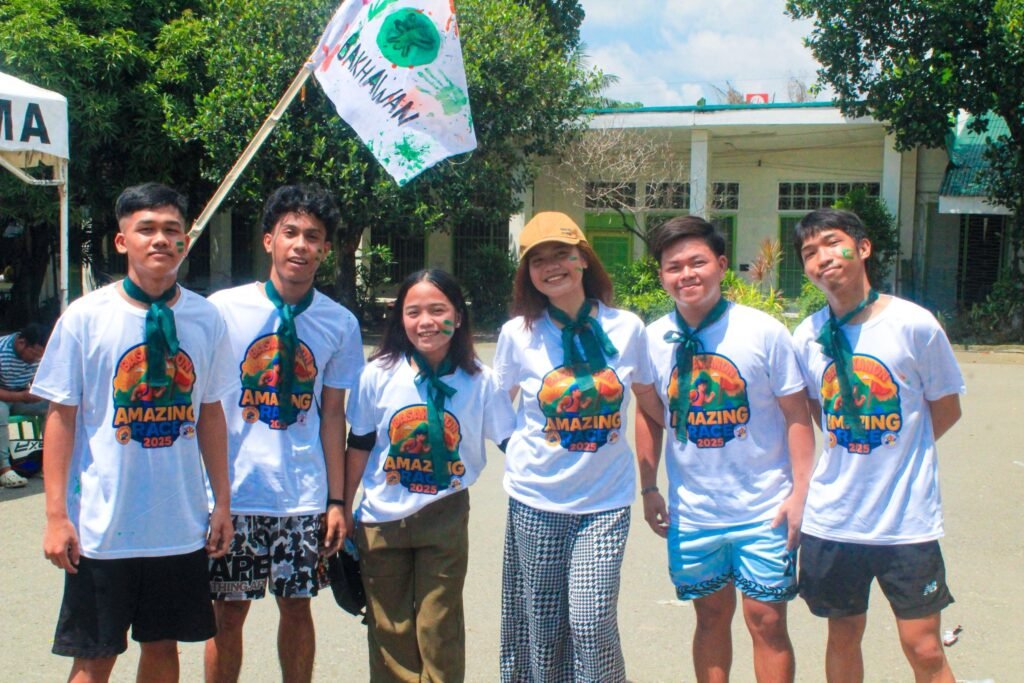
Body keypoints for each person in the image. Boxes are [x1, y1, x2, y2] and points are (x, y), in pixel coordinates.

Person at [33, 182, 236, 683]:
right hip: (104, 527)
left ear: (185, 241)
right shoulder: (86, 318)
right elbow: (61, 417)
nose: (160, 239)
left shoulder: (206, 318)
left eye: (171, 229)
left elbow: (210, 413)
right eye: (146, 229)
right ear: (123, 241)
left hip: (178, 525)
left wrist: (222, 503)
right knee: (94, 656)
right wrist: (56, 516)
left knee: (163, 648)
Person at [635, 216, 814, 683]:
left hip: (765, 508)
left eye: (697, 262)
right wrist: (649, 488)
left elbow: (797, 415)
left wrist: (800, 493)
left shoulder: (763, 331)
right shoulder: (651, 340)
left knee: (767, 620)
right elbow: (649, 413)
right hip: (694, 512)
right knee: (710, 617)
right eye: (674, 266)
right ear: (662, 276)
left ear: (720, 264)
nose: (686, 274)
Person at [791, 208, 964, 683]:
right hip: (835, 518)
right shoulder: (807, 336)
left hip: (906, 521)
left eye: (833, 243)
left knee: (923, 646)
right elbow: (817, 413)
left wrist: (898, 448)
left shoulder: (913, 324)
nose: (823, 258)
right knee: (842, 635)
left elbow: (946, 408)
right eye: (810, 252)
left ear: (862, 248)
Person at [204, 184, 364, 683]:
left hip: (302, 495)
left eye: (312, 236)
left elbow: (333, 416)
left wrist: (336, 501)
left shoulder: (339, 323)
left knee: (297, 606)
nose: (300, 245)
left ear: (326, 249)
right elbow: (205, 406)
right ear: (269, 240)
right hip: (235, 491)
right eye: (290, 232)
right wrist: (211, 495)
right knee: (228, 611)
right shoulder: (222, 310)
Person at [494, 211, 663, 683]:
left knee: (590, 622)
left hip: (605, 502)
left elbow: (650, 402)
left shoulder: (627, 328)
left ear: (583, 259)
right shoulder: (518, 334)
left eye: (562, 254)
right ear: (527, 273)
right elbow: (495, 403)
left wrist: (658, 478)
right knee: (543, 626)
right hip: (536, 500)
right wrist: (518, 448)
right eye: (538, 260)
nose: (552, 266)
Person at [344, 268, 515, 682]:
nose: (426, 322)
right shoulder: (378, 375)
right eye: (413, 312)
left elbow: (512, 442)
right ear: (400, 319)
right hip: (381, 520)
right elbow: (360, 443)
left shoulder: (480, 381)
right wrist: (341, 507)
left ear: (458, 316)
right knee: (389, 627)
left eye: (438, 310)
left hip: (445, 513)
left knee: (439, 625)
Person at [0, 322, 48, 487]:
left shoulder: (38, 356)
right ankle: (4, 469)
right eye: (33, 355)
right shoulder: (2, 352)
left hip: (21, 396)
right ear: (22, 343)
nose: (35, 360)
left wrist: (38, 393)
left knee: (53, 408)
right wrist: (20, 396)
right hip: (4, 397)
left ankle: (48, 462)